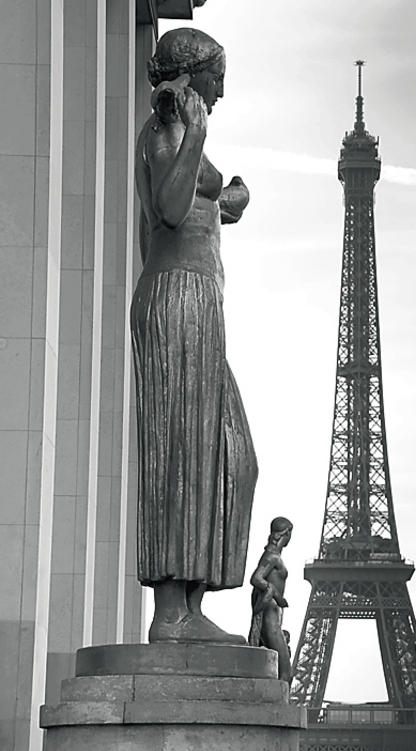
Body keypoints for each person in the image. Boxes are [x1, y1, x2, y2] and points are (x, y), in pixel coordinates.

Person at [131, 28, 258, 643]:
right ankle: (171, 615)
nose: (223, 91)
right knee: (179, 448)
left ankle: (192, 603)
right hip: (175, 296)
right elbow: (175, 206)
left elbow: (218, 198)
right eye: (217, 77)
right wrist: (197, 137)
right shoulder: (162, 132)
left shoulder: (181, 134)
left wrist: (234, 191)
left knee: (231, 457)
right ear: (194, 74)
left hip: (202, 301)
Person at [249, 518, 293, 681]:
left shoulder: (274, 556)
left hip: (273, 612)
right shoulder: (272, 556)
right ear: (286, 533)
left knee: (280, 669)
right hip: (270, 613)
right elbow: (256, 578)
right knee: (285, 671)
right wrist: (277, 596)